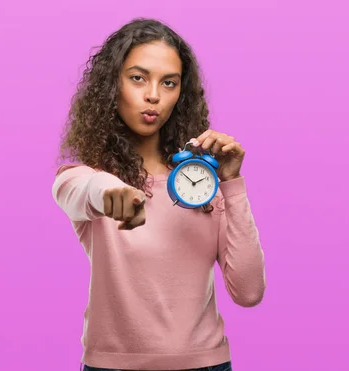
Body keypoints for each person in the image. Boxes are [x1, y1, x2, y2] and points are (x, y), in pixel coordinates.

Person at [51, 18, 266, 371]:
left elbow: (249, 292)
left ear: (181, 93)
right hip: (113, 366)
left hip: (207, 365)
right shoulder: (84, 178)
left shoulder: (203, 181)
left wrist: (232, 183)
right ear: (112, 84)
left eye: (169, 83)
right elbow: (80, 189)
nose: (153, 95)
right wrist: (113, 193)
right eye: (138, 78)